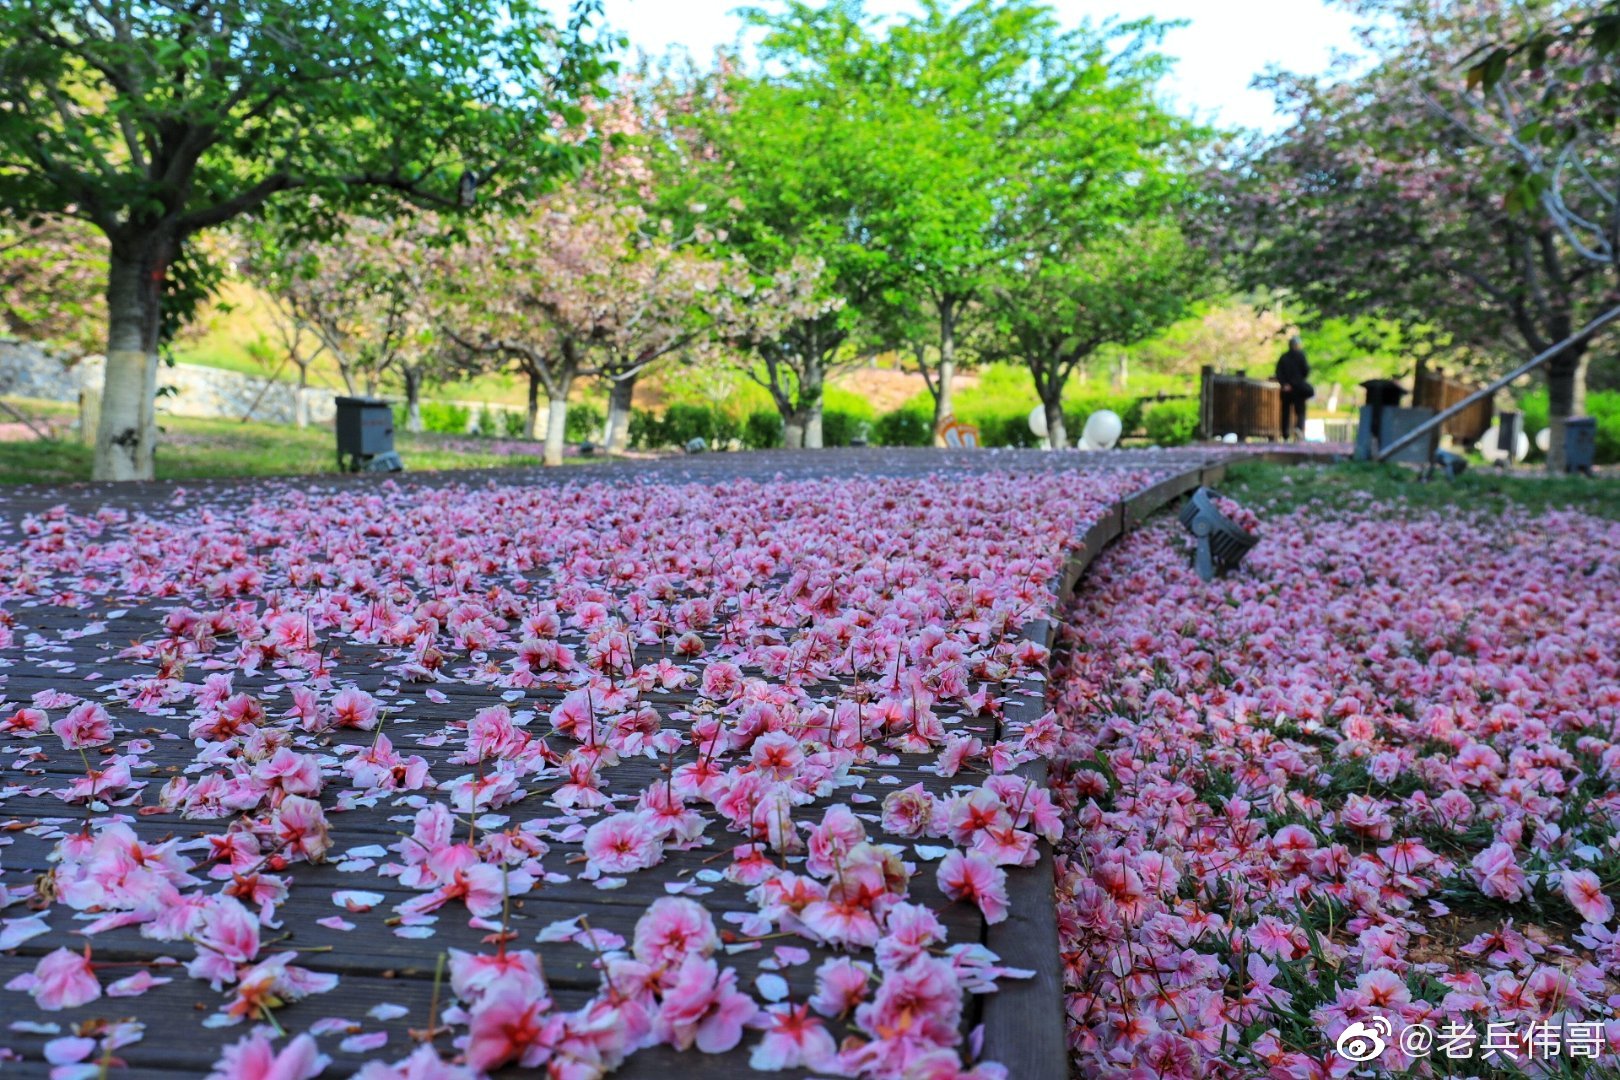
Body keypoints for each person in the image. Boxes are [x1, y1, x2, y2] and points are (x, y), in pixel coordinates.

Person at [1275, 336, 1312, 440]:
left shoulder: (1284, 357)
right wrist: (1297, 382)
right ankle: (1298, 428)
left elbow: (1278, 373)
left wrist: (1285, 384)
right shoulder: (1301, 356)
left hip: (1286, 389)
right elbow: (1306, 371)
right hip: (1298, 389)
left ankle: (1285, 433)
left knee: (1285, 412)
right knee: (1300, 411)